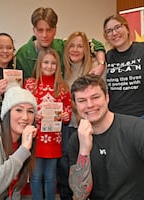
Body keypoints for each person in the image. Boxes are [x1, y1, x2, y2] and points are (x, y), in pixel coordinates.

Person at [68, 74, 144, 200]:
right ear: (76, 105)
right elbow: (80, 194)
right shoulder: (76, 140)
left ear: (107, 97)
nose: (89, 105)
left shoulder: (137, 129)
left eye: (95, 97)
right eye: (82, 101)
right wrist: (84, 150)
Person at [24, 48, 72, 200]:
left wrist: (65, 115)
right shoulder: (30, 84)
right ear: (39, 64)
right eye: (46, 62)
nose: (49, 66)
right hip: (35, 138)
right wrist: (33, 115)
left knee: (51, 176)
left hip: (54, 139)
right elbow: (23, 109)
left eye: (53, 63)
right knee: (36, 175)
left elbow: (68, 112)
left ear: (58, 66)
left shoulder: (62, 86)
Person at [57, 31, 97, 199]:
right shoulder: (61, 71)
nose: (75, 49)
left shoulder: (95, 69)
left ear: (86, 49)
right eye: (71, 46)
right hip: (67, 127)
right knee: (65, 165)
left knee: (89, 164)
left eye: (80, 46)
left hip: (90, 126)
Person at [16, 7, 106, 80]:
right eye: (40, 30)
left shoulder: (63, 45)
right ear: (34, 30)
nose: (44, 35)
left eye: (49, 30)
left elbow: (95, 44)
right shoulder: (22, 54)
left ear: (55, 30)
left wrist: (101, 64)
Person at [103, 14, 144, 124]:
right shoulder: (108, 56)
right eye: (109, 31)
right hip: (115, 117)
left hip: (143, 116)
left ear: (127, 29)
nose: (114, 33)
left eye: (118, 27)